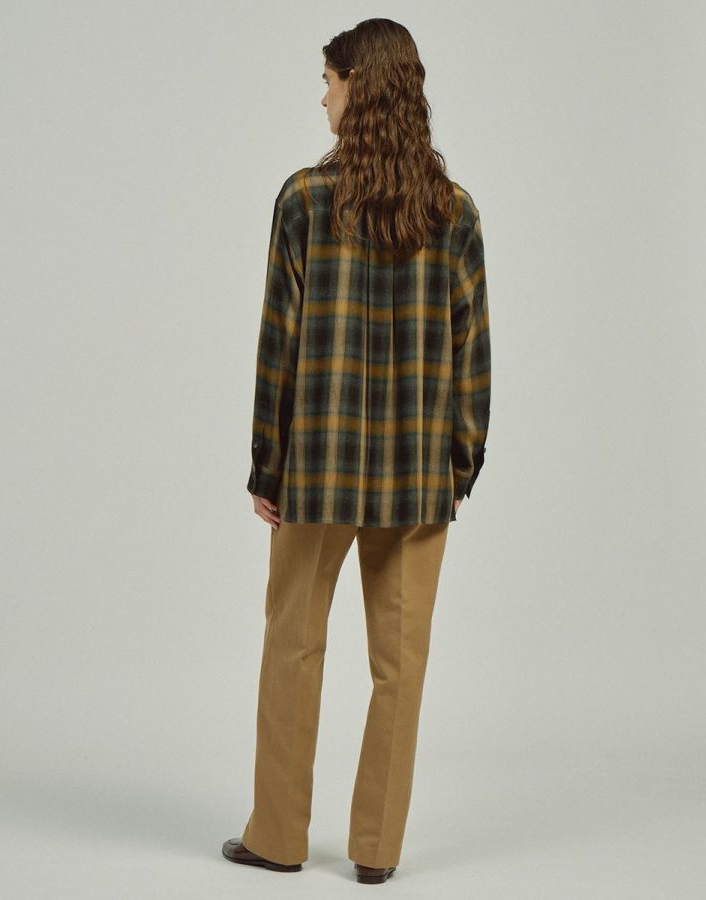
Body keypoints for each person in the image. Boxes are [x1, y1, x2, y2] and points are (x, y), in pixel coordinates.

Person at [222, 17, 490, 885]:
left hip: (318, 469)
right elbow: (473, 352)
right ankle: (376, 852)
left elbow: (279, 345)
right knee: (400, 667)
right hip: (417, 477)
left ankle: (278, 837)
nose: (323, 97)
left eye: (331, 81)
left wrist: (268, 465)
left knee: (291, 648)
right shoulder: (453, 212)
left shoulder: (306, 200)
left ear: (359, 90)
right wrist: (460, 462)